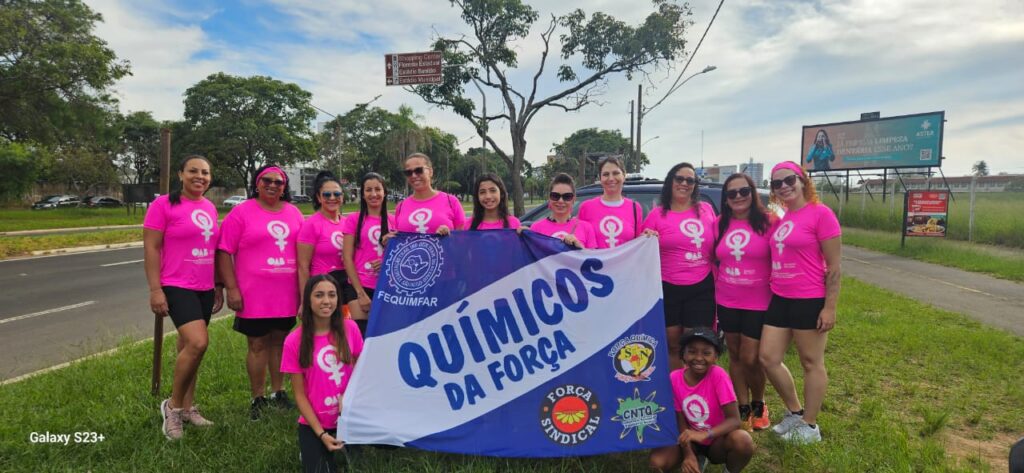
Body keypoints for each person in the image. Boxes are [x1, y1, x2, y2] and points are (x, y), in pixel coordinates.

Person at [759, 161, 842, 444]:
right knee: (768, 358)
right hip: (781, 298)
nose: (783, 186)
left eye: (789, 180)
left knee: (811, 361)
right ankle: (795, 412)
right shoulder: (783, 219)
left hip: (809, 298)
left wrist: (829, 307)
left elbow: (834, 267)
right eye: (776, 183)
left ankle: (809, 426)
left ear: (802, 180)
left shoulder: (821, 214)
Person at [143, 155, 223, 440]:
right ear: (180, 174)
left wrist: (217, 284)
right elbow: (151, 248)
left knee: (189, 348)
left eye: (205, 172)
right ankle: (173, 407)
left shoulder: (210, 207)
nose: (199, 176)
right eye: (193, 171)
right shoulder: (163, 205)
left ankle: (189, 407)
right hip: (176, 284)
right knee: (198, 342)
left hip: (203, 286)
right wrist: (155, 289)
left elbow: (212, 248)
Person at [217, 164, 305, 420]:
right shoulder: (241, 213)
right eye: (267, 180)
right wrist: (231, 288)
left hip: (286, 293)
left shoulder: (294, 213)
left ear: (284, 187)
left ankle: (278, 391)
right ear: (257, 183)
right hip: (254, 295)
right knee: (257, 344)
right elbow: (224, 250)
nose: (272, 185)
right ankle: (258, 397)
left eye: (278, 182)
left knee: (280, 341)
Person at [281, 274, 363, 473]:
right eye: (319, 295)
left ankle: (349, 444)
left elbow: (362, 370)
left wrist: (350, 395)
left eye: (332, 295)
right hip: (316, 422)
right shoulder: (294, 341)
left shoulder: (350, 328)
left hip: (350, 415)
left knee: (375, 454)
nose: (326, 301)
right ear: (308, 300)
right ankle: (314, 447)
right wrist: (321, 434)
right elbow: (299, 395)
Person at [713, 173, 774, 433]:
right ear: (726, 199)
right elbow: (708, 256)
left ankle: (760, 403)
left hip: (759, 301)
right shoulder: (718, 224)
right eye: (731, 193)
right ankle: (743, 407)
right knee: (736, 355)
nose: (738, 197)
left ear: (753, 193)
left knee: (751, 357)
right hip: (726, 299)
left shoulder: (769, 221)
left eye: (744, 191)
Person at [641, 163, 717, 371]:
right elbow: (639, 249)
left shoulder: (707, 211)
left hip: (701, 287)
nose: (684, 183)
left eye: (690, 180)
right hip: (667, 288)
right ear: (670, 181)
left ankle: (699, 394)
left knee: (697, 346)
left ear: (695, 185)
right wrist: (645, 238)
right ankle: (677, 393)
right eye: (679, 178)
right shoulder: (657, 215)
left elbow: (723, 241)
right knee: (673, 345)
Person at [649, 328, 754, 473]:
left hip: (716, 440)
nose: (699, 358)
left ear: (716, 356)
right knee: (657, 462)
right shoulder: (674, 378)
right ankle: (696, 458)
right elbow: (680, 420)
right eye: (692, 351)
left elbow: (734, 421)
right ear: (683, 354)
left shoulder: (719, 376)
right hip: (689, 439)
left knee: (743, 441)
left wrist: (706, 434)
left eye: (706, 353)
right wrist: (688, 454)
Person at [342, 173, 396, 337]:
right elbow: (347, 257)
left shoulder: (395, 220)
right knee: (363, 336)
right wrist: (360, 293)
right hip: (360, 286)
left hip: (386, 287)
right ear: (363, 194)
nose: (373, 194)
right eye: (368, 190)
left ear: (385, 192)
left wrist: (387, 260)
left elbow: (402, 256)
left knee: (384, 337)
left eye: (378, 189)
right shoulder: (353, 219)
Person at [298, 171, 349, 309]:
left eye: (337, 194)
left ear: (342, 197)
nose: (332, 198)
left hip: (346, 287)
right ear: (319, 198)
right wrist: (304, 301)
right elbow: (303, 266)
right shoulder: (311, 224)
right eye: (326, 194)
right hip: (322, 289)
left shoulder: (348, 223)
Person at [391, 152, 466, 236]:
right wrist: (389, 240)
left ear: (430, 172)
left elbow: (462, 239)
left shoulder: (451, 202)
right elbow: (397, 239)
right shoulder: (401, 207)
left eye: (418, 170)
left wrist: (449, 235)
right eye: (408, 173)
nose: (414, 175)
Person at [577, 156, 643, 248]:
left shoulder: (635, 208)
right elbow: (580, 241)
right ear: (600, 179)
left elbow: (638, 244)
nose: (611, 178)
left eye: (616, 173)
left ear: (624, 176)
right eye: (606, 174)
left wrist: (649, 237)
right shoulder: (586, 207)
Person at [529, 173, 596, 249]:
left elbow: (592, 259)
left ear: (573, 199)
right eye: (555, 196)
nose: (560, 201)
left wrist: (580, 247)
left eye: (567, 196)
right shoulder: (536, 228)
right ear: (549, 198)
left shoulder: (586, 228)